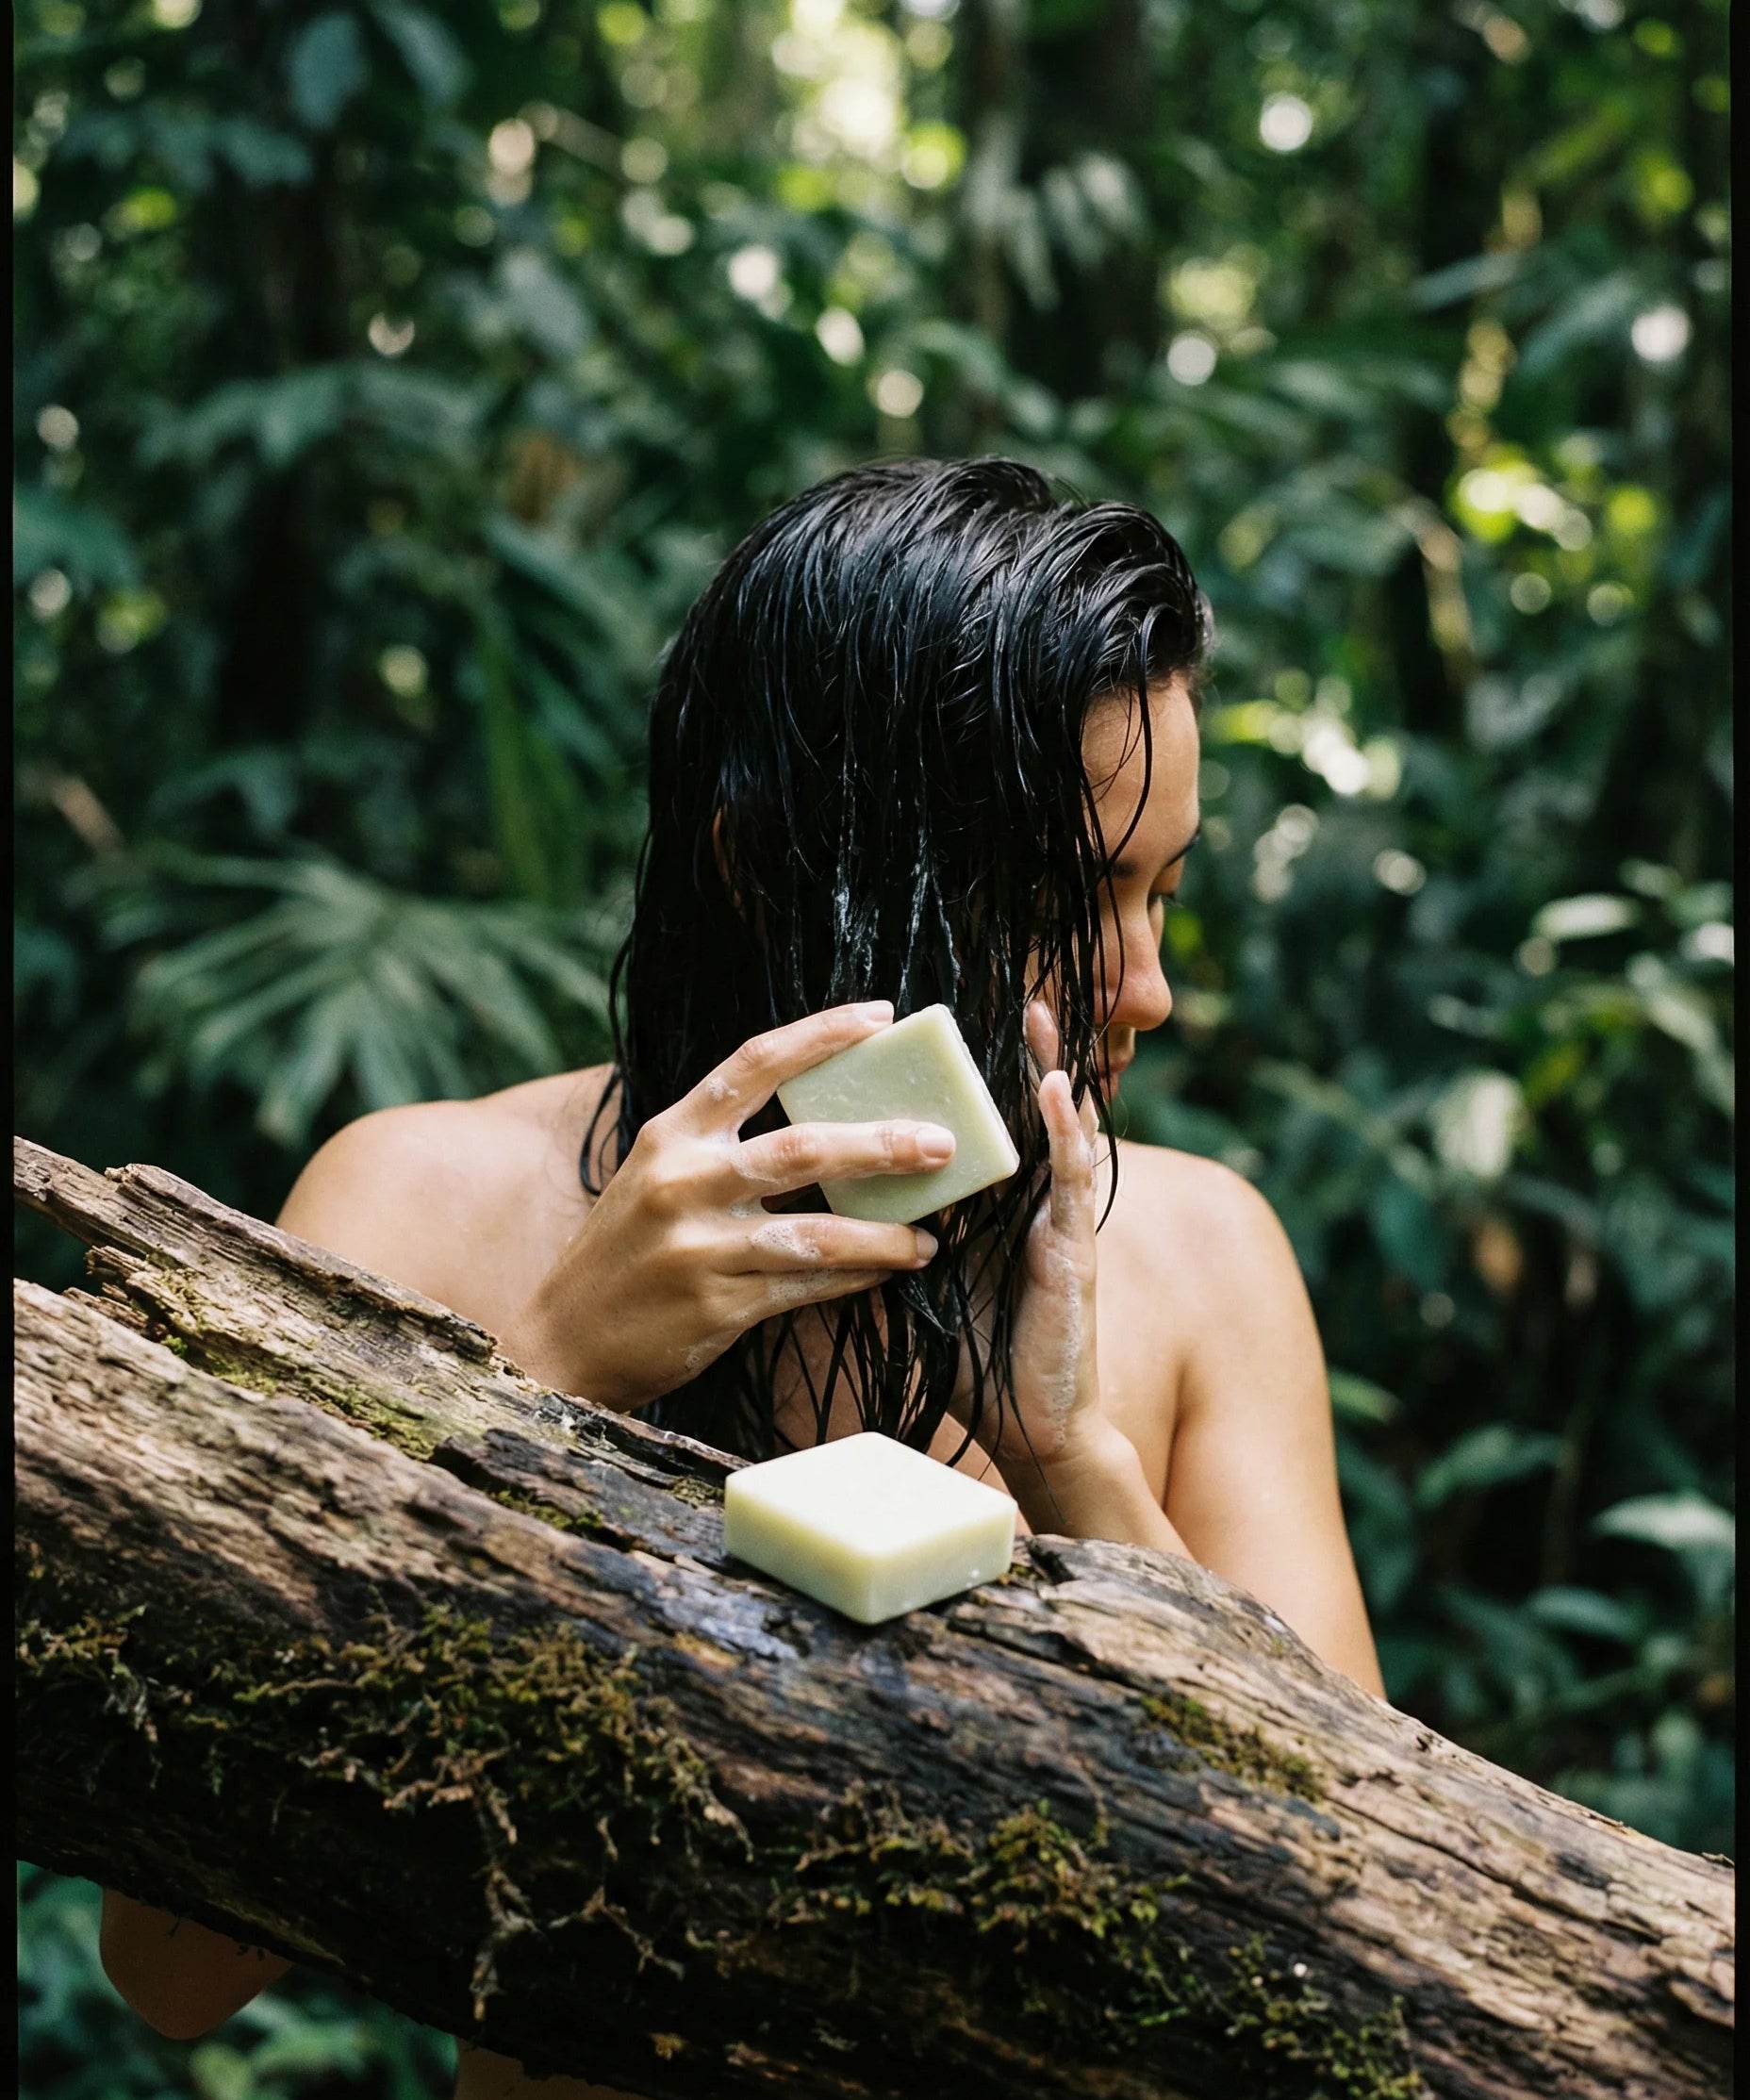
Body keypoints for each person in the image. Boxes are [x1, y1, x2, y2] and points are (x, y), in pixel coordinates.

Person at [99, 458, 1385, 2100]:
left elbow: (1361, 1940)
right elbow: (170, 1972)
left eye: (1166, 895)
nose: (1146, 993)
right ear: (772, 868)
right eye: (1073, 901)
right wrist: (537, 1394)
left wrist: (1077, 1465)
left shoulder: (1196, 1259)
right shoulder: (420, 1212)